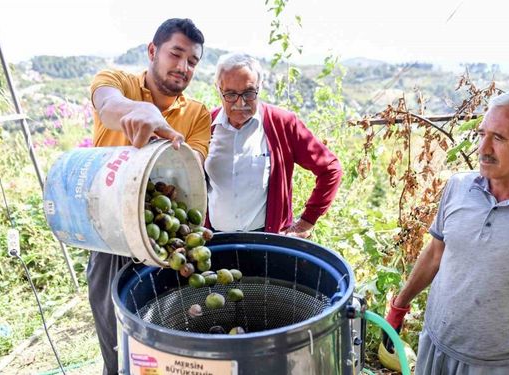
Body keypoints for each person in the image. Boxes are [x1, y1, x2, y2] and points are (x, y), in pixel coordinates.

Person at [380, 90, 509, 375]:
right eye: (482, 134)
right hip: (434, 346)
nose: (483, 148)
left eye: (499, 138)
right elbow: (436, 253)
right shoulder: (458, 187)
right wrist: (399, 306)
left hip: (496, 366)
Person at [87, 18, 211, 375]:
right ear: (153, 51)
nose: (183, 67)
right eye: (176, 54)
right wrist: (138, 112)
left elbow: (192, 165)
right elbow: (108, 104)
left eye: (193, 61)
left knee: (167, 334)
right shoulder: (117, 82)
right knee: (116, 340)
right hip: (110, 236)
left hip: (165, 240)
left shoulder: (197, 114)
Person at [204, 53, 342, 237]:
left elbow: (330, 169)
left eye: (249, 93)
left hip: (268, 241)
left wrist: (307, 221)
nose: (240, 102)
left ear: (259, 88)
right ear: (218, 89)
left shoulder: (282, 123)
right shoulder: (205, 125)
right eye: (230, 94)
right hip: (216, 241)